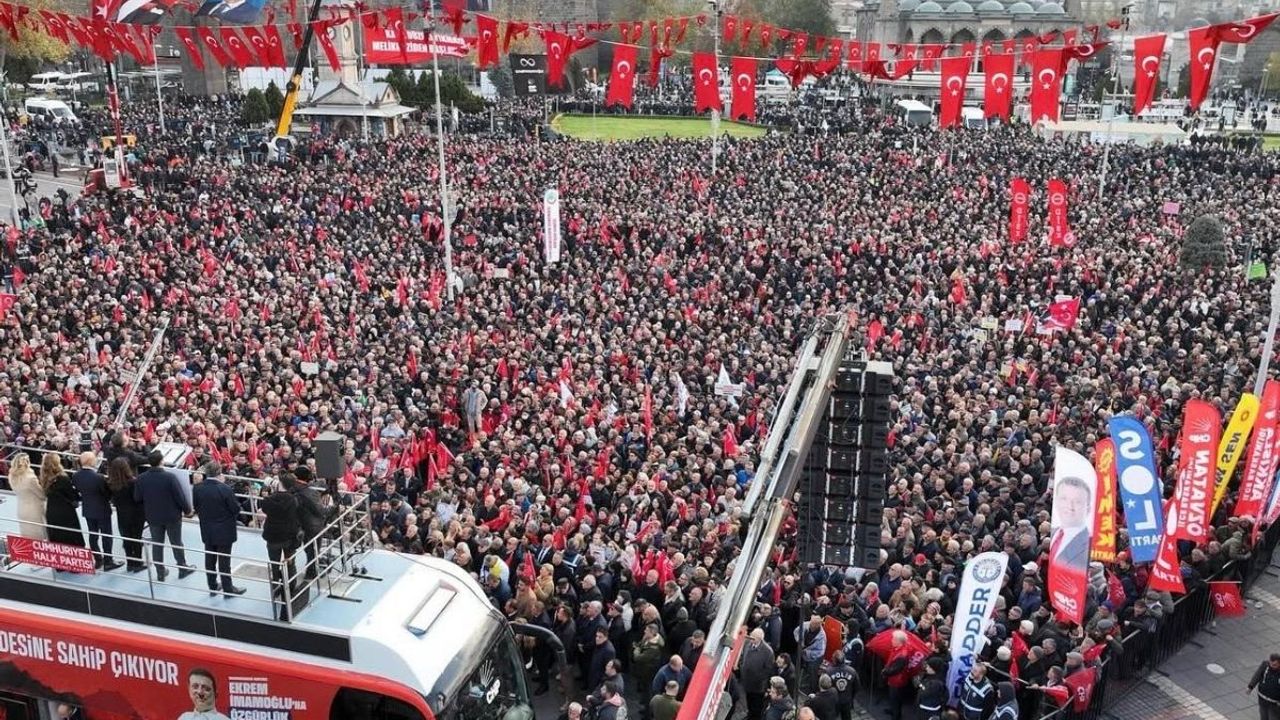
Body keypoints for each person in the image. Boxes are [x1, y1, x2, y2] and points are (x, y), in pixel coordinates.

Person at [134, 450, 195, 579]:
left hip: (153, 516)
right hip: (172, 516)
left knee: (157, 544)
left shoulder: (141, 478)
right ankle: (182, 568)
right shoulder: (170, 477)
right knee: (176, 542)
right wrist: (187, 510)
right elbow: (180, 497)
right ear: (162, 461)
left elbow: (137, 497)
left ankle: (160, 572)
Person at [191, 462, 245, 596]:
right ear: (219, 472)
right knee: (224, 562)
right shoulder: (225, 489)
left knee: (209, 559)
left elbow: (197, 507)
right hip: (224, 530)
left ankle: (212, 586)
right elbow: (235, 509)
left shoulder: (197, 488)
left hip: (207, 529)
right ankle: (228, 588)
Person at [260, 473, 301, 619]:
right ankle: (290, 587)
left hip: (273, 536)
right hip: (289, 536)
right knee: (290, 562)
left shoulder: (270, 500)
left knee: (274, 563)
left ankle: (276, 586)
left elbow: (264, 508)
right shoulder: (294, 500)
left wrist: (270, 493)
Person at [72, 451, 122, 570]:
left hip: (88, 509)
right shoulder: (98, 477)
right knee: (106, 536)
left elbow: (78, 491)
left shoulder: (76, 476)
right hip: (102, 509)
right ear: (90, 461)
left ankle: (98, 560)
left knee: (93, 535)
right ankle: (108, 561)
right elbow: (106, 493)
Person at [107, 458, 147, 572]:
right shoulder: (133, 482)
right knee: (136, 538)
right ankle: (138, 563)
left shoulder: (111, 483)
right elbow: (138, 498)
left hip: (122, 514)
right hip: (136, 514)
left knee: (127, 538)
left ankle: (130, 563)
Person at [289, 466, 328, 580]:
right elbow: (319, 511)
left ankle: (289, 576)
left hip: (293, 524)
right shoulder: (310, 492)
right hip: (310, 526)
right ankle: (311, 572)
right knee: (312, 551)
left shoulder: (289, 488)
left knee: (290, 552)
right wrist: (333, 508)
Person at [1049, 476, 1093, 576]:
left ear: (1088, 508)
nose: (1070, 506)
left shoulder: (1089, 545)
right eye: (1064, 499)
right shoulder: (1052, 532)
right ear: (1056, 502)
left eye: (1078, 501)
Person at [41, 454, 84, 548]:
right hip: (65, 511)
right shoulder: (63, 478)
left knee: (57, 537)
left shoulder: (44, 478)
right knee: (71, 537)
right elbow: (72, 495)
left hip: (51, 510)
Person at [739, 627, 777, 720]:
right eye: (751, 636)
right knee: (749, 701)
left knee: (757, 706)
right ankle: (750, 714)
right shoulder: (748, 643)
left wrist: (758, 679)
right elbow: (743, 656)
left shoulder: (768, 652)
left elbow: (769, 671)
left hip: (758, 687)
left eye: (753, 638)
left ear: (760, 639)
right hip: (747, 682)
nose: (751, 639)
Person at [10, 454, 46, 540]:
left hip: (21, 509)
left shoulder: (11, 476)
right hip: (34, 510)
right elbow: (41, 495)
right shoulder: (30, 478)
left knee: (26, 536)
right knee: (38, 538)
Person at [1249, 652, 1280, 720]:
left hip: (1274, 703)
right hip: (1262, 699)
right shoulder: (1265, 665)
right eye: (1270, 664)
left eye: (1274, 665)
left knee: (1274, 718)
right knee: (1263, 717)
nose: (1271, 666)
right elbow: (1257, 675)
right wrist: (1250, 686)